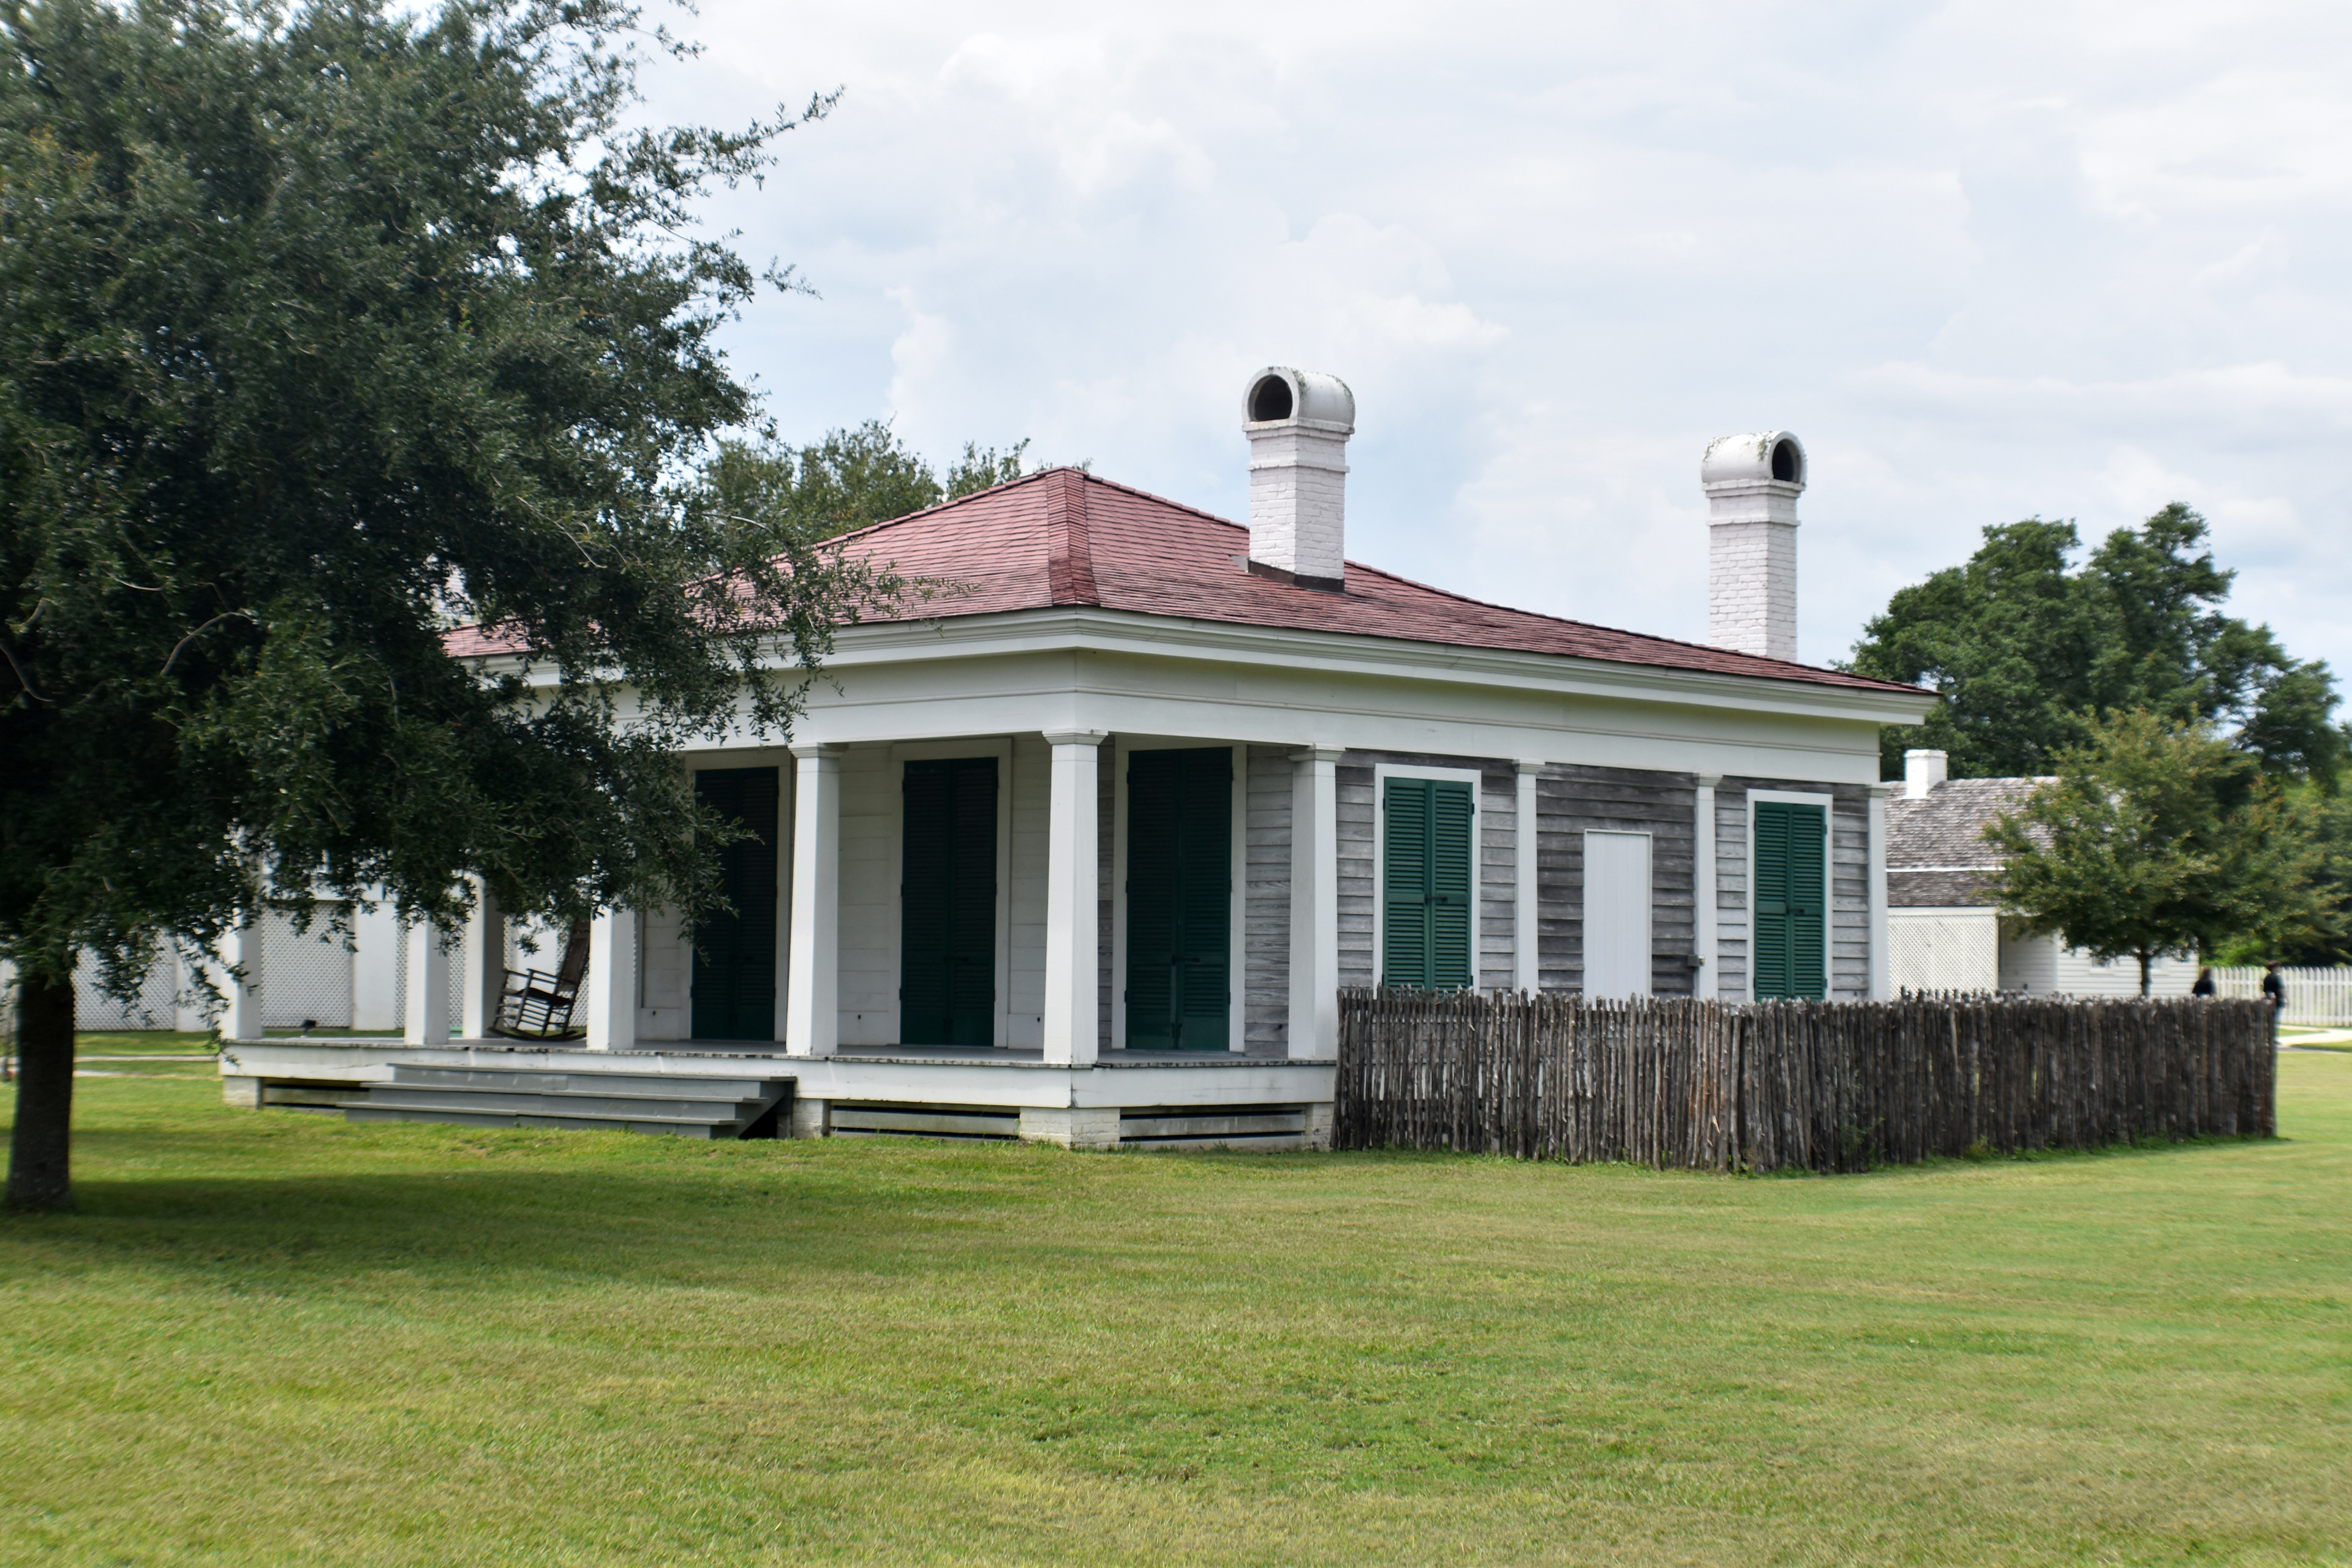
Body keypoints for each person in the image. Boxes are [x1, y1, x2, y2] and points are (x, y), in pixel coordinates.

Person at [2262, 960, 2287, 1044]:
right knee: (2274, 1021)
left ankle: (2268, 1038)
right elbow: (2281, 990)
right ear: (2275, 968)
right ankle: (2273, 1039)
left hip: (2268, 1001)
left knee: (2269, 1021)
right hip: (2277, 1001)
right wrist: (2286, 999)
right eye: (2278, 967)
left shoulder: (2267, 978)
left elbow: (2266, 990)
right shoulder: (2277, 978)